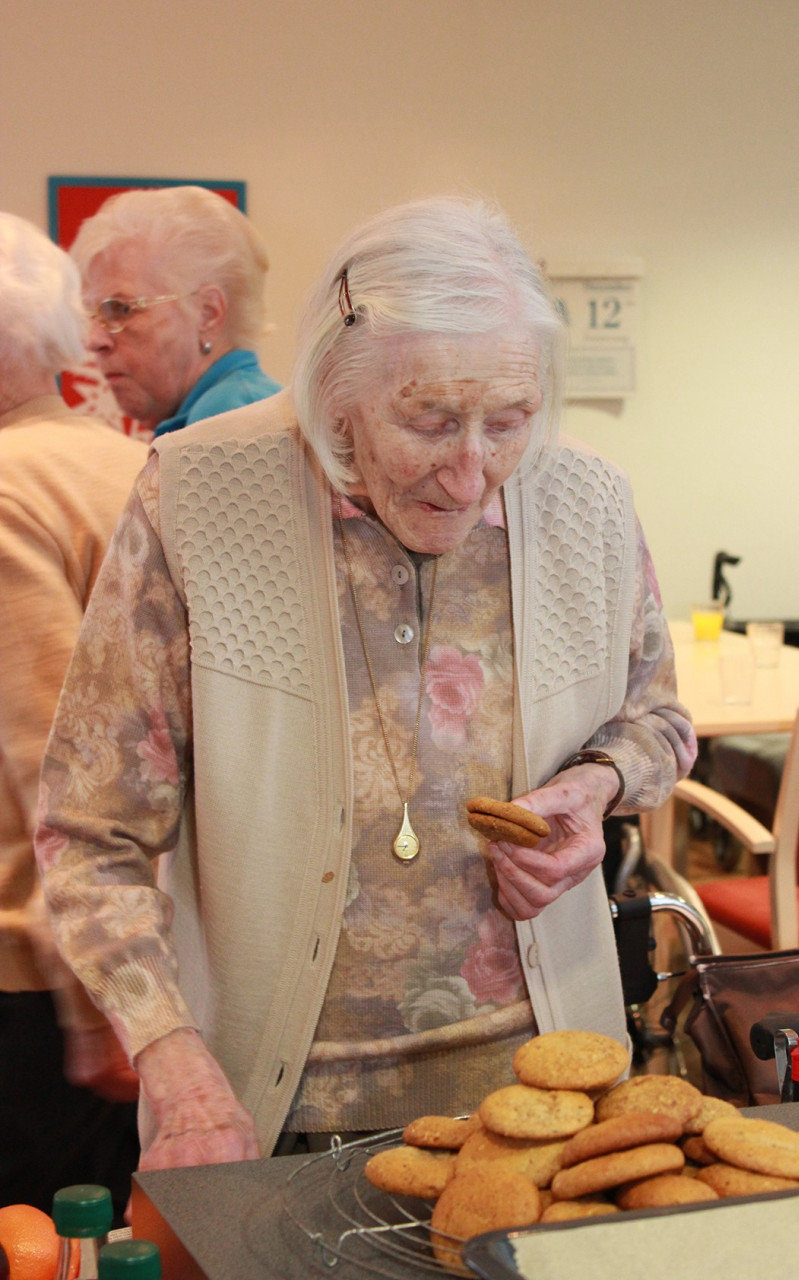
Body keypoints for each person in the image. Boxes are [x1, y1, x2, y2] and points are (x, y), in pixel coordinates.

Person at [36, 196, 696, 1178]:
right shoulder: (200, 493)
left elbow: (659, 719)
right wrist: (168, 1050)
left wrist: (598, 783)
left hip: (550, 1104)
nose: (471, 472)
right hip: (276, 1116)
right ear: (333, 388)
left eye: (508, 421)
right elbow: (90, 836)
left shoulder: (585, 502)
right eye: (426, 419)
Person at [0, 212, 147, 1216]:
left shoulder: (9, 486)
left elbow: (51, 756)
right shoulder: (123, 459)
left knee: (46, 1233)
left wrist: (92, 999)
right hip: (149, 933)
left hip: (43, 978)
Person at [71, 185, 280, 437]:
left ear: (208, 314)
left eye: (121, 309)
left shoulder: (223, 423)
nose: (94, 340)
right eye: (92, 313)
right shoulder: (236, 408)